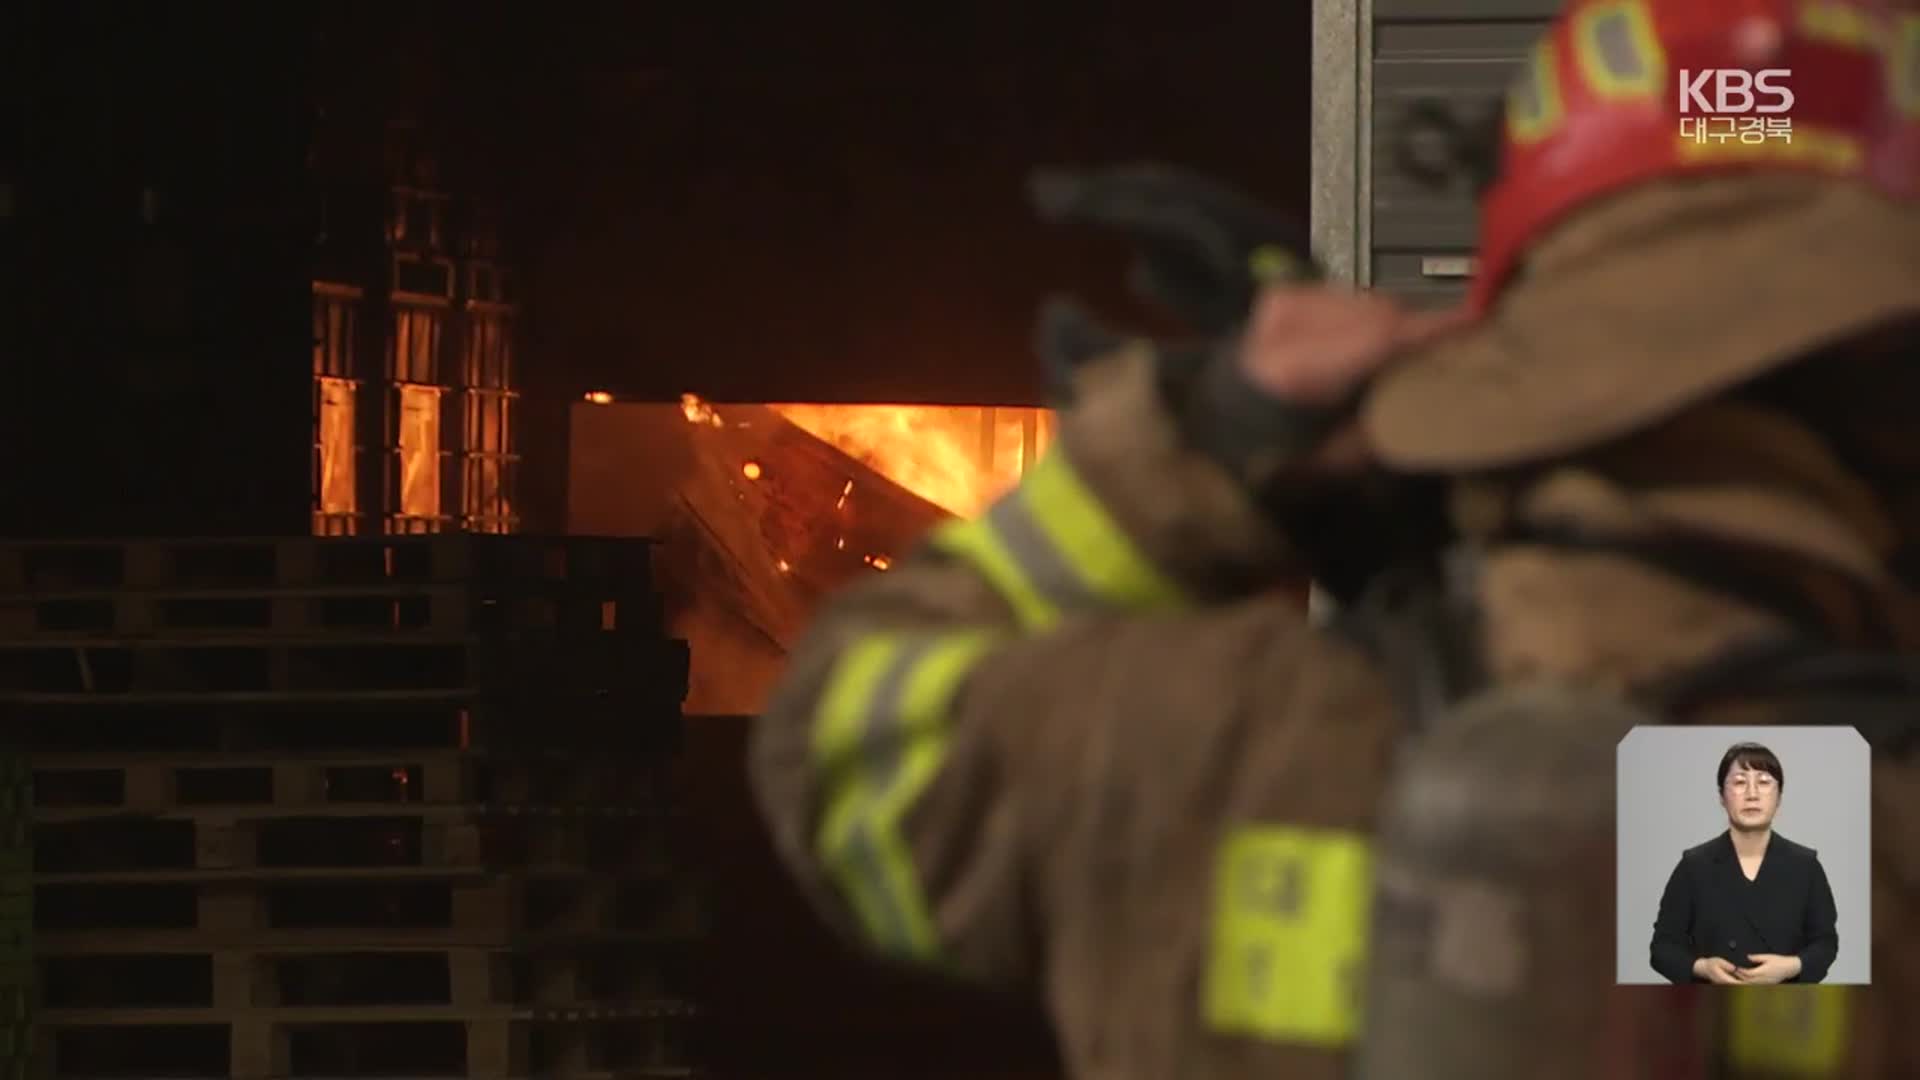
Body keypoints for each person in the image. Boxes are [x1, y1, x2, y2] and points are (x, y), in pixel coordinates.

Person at [748, 1, 1920, 1077]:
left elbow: (843, 748)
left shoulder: (1191, 741)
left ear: (1525, 311)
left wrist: (1195, 448)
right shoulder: (1870, 829)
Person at [1649, 742, 1841, 985]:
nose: (1752, 794)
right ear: (1721, 796)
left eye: (1763, 782)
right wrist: (1701, 967)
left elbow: (1825, 943)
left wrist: (1791, 966)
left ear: (1779, 796)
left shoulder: (1805, 865)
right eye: (1740, 782)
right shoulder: (1694, 866)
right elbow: (1663, 948)